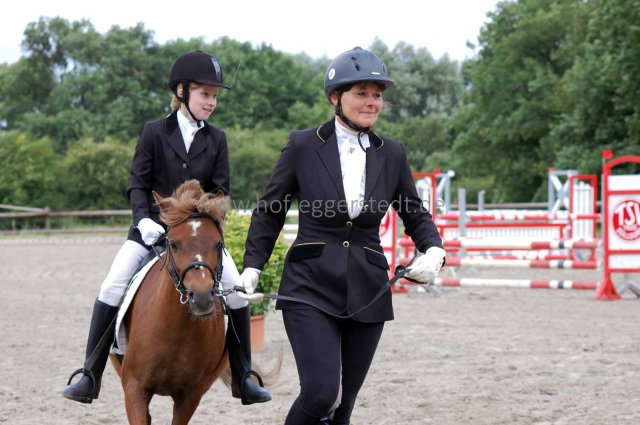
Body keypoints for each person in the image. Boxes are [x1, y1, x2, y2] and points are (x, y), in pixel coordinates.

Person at [237, 47, 446, 424]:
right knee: (321, 394)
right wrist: (253, 266)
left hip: (368, 288)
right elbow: (270, 209)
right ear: (336, 97)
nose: (371, 102)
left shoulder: (392, 154)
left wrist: (433, 251)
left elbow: (414, 212)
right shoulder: (303, 145)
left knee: (342, 408)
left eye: (377, 95)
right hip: (309, 286)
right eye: (361, 93)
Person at [62, 49, 271, 406]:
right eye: (205, 94)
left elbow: (220, 192)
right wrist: (143, 220)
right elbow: (137, 184)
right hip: (150, 232)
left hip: (197, 240)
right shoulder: (154, 132)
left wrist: (203, 223)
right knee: (112, 285)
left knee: (236, 292)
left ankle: (243, 376)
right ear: (182, 92)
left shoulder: (217, 139)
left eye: (215, 96)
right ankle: (89, 374)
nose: (212, 102)